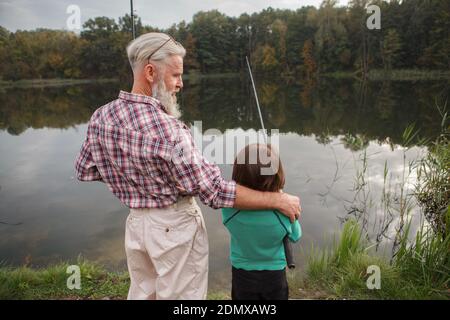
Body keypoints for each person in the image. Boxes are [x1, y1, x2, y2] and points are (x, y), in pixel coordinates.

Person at [75, 32, 301, 300]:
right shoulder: (169, 129)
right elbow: (215, 192)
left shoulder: (101, 117)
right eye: (175, 75)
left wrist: (133, 175)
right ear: (150, 72)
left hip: (136, 225)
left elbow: (86, 169)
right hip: (174, 229)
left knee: (143, 293)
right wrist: (277, 200)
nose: (181, 84)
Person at [222, 144, 301, 300]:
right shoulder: (284, 213)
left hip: (242, 275)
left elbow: (232, 195)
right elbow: (296, 236)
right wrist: (280, 196)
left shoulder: (230, 209)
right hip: (274, 278)